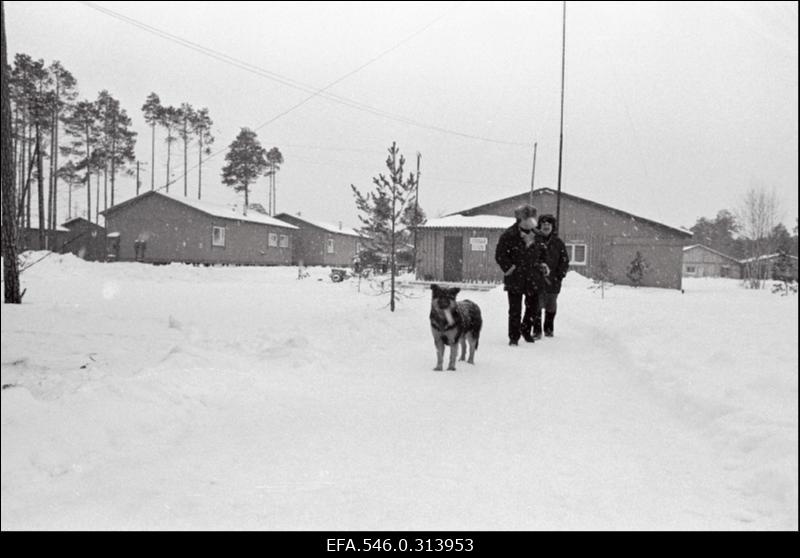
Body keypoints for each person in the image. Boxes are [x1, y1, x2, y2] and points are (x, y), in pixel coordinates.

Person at [494, 204, 548, 345]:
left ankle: (526, 330)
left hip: (534, 277)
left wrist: (542, 264)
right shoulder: (509, 235)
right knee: (515, 310)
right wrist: (510, 268)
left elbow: (543, 253)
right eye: (528, 218)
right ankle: (514, 337)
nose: (532, 221)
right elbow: (500, 255)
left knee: (532, 308)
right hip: (515, 277)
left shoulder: (538, 235)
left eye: (533, 218)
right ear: (520, 219)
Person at [532, 214, 570, 338]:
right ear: (540, 226)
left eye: (549, 224)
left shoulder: (558, 243)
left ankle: (549, 329)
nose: (546, 226)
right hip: (537, 280)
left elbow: (564, 261)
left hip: (554, 280)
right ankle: (537, 331)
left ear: (553, 227)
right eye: (544, 224)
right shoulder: (534, 241)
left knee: (551, 306)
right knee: (536, 306)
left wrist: (560, 275)